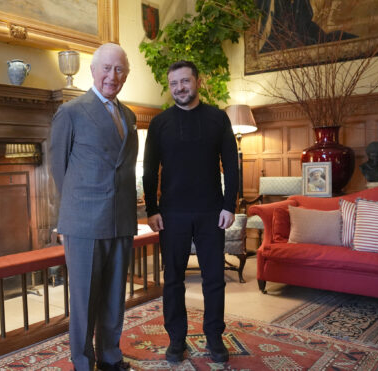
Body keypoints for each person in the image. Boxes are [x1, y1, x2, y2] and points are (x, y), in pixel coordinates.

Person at [142, 60, 238, 364]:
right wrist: (151, 209)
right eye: (174, 84)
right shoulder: (159, 123)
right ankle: (176, 339)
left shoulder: (217, 118)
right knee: (173, 280)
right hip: (171, 214)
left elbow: (232, 165)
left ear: (197, 81)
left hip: (212, 211)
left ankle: (214, 337)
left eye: (184, 81)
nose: (179, 88)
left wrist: (229, 205)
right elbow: (148, 170)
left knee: (214, 280)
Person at [49, 43, 138, 371]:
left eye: (119, 70)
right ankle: (83, 364)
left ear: (125, 75)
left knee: (115, 298)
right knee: (85, 301)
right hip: (84, 223)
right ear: (93, 70)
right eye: (106, 68)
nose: (112, 76)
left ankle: (110, 358)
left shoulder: (129, 115)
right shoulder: (70, 112)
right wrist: (71, 214)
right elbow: (59, 169)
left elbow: (125, 169)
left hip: (121, 221)